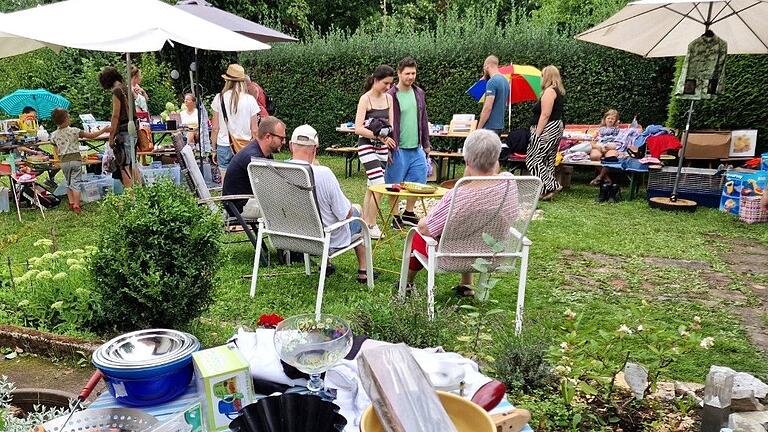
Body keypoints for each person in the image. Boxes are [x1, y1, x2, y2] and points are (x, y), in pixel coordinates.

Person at [402, 129, 519, 296]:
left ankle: (407, 283)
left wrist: (466, 180)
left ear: (466, 160)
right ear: (497, 157)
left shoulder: (459, 195)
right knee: (471, 230)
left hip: (451, 259)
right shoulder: (509, 183)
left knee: (417, 237)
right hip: (493, 255)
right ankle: (467, 285)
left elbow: (425, 228)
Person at [288, 124, 376, 283]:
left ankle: (326, 264)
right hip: (326, 239)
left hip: (292, 235)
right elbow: (345, 214)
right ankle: (364, 270)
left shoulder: (279, 170)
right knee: (356, 210)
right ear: (315, 149)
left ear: (290, 146)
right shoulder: (323, 173)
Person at [386, 57, 431, 229]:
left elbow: (424, 119)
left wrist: (426, 144)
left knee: (419, 180)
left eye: (413, 73)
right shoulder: (390, 95)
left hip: (416, 147)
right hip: (397, 147)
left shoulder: (419, 93)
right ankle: (395, 216)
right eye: (407, 73)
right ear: (399, 73)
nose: (411, 77)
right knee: (394, 183)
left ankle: (409, 213)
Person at [354, 64, 396, 240]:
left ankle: (364, 222)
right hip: (366, 146)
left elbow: (391, 126)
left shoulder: (389, 99)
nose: (388, 87)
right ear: (376, 80)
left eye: (390, 84)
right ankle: (371, 225)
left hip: (382, 147)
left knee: (372, 187)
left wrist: (387, 146)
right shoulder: (365, 99)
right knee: (379, 185)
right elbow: (358, 128)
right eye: (385, 83)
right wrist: (379, 136)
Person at [222, 116, 286, 217]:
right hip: (239, 207)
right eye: (281, 138)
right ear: (268, 137)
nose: (284, 142)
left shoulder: (263, 154)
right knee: (285, 211)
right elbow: (270, 188)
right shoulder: (253, 158)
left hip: (247, 201)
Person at [49, 108, 110, 214]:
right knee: (76, 182)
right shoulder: (75, 131)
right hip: (76, 160)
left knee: (68, 182)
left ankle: (71, 202)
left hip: (64, 161)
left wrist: (58, 159)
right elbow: (91, 136)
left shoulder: (53, 135)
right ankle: (77, 204)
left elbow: (55, 148)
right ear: (67, 119)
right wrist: (103, 130)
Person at [210, 64, 261, 177]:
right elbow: (255, 130)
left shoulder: (219, 98)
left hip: (223, 144)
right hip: (245, 146)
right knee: (244, 181)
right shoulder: (250, 100)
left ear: (227, 81)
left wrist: (213, 149)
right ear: (242, 81)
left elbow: (215, 128)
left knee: (226, 183)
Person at [526, 65, 566, 201]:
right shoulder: (558, 91)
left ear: (547, 76)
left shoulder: (549, 91)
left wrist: (537, 134)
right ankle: (545, 191)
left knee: (533, 159)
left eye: (542, 75)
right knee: (548, 159)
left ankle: (551, 184)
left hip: (547, 128)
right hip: (556, 127)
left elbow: (545, 114)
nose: (540, 78)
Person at [99, 66, 136, 188]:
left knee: (124, 166)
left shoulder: (117, 91)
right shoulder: (127, 89)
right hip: (134, 129)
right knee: (132, 164)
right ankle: (142, 194)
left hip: (124, 131)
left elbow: (115, 115)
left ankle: (131, 197)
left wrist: (111, 137)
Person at [477, 55, 510, 135]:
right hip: (499, 126)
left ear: (487, 66)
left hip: (489, 127)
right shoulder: (505, 81)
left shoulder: (492, 82)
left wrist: (478, 128)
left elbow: (487, 108)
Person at [589, 109, 620, 186]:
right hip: (599, 146)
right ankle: (606, 178)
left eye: (612, 119)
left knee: (611, 157)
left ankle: (599, 177)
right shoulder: (598, 130)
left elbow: (620, 143)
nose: (610, 120)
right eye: (608, 118)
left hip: (611, 147)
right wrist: (598, 147)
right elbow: (591, 141)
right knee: (594, 156)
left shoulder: (619, 131)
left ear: (616, 121)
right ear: (605, 119)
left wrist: (610, 147)